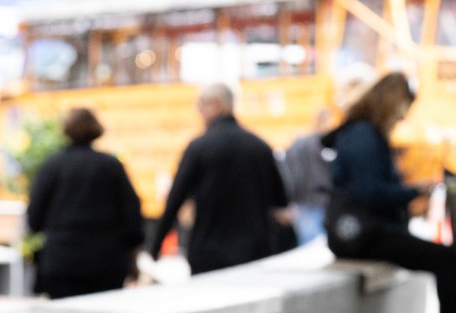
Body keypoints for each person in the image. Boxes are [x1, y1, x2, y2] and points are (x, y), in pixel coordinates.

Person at [323, 73, 456, 313]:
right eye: (403, 108)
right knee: (450, 260)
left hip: (366, 232)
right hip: (365, 235)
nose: (403, 117)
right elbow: (370, 192)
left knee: (455, 258)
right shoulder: (364, 135)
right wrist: (414, 190)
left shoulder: (361, 133)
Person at [149, 83, 291, 275]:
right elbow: (281, 200)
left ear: (217, 104)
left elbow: (175, 199)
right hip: (254, 252)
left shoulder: (198, 147)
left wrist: (155, 246)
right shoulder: (260, 146)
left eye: (201, 105)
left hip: (208, 252)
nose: (198, 112)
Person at [26, 108, 144, 299]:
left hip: (62, 262)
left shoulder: (53, 166)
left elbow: (34, 219)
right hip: (105, 262)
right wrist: (133, 256)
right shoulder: (111, 166)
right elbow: (132, 215)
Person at [281, 110, 333, 245]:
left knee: (308, 248)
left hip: (305, 203)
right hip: (316, 202)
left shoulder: (300, 144)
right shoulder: (318, 144)